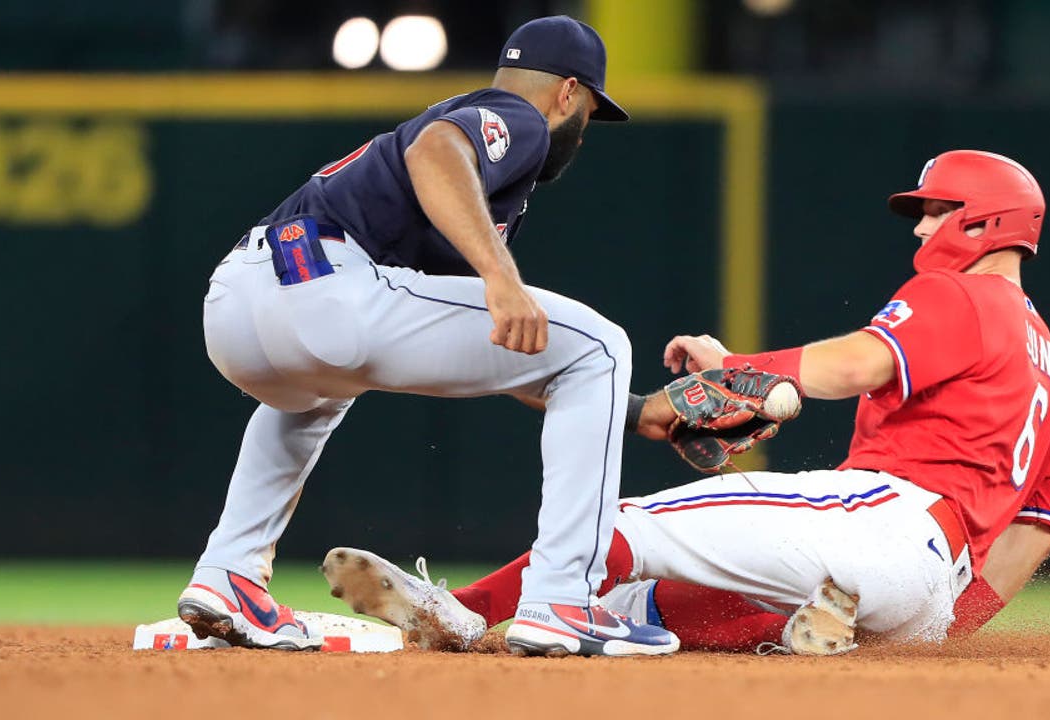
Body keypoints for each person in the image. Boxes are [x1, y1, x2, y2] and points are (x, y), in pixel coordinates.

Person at [319, 149, 1050, 654]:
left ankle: (460, 613)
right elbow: (1035, 531)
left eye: (937, 209)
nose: (922, 225)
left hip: (883, 521)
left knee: (614, 522)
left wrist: (736, 370)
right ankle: (795, 633)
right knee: (646, 601)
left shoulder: (965, 295)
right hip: (927, 590)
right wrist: (938, 632)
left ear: (986, 218)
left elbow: (855, 366)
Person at [176, 15, 679, 658]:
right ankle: (561, 601)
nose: (583, 131)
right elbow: (435, 150)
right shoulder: (517, 118)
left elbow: (508, 351)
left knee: (317, 395)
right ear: (569, 94)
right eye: (588, 113)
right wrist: (501, 277)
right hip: (328, 282)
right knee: (601, 345)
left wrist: (635, 414)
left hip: (239, 307)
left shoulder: (477, 193)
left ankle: (228, 576)